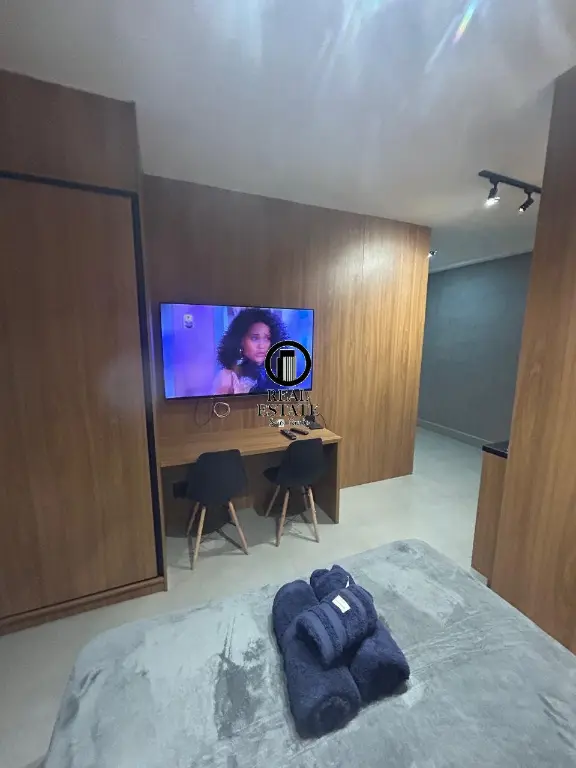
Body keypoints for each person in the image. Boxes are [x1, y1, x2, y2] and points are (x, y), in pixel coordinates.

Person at [213, 307, 288, 395]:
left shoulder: (278, 374)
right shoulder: (227, 377)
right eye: (254, 338)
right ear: (240, 341)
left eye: (267, 338)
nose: (261, 345)